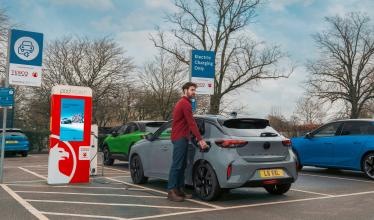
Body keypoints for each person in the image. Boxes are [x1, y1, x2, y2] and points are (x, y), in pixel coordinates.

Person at [167, 82, 209, 202]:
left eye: (194, 90)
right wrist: (200, 139)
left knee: (183, 165)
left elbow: (189, 123)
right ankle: (171, 191)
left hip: (183, 137)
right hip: (179, 137)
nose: (194, 92)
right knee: (177, 165)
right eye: (191, 90)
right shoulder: (184, 104)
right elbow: (191, 123)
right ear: (185, 90)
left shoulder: (185, 103)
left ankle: (179, 190)